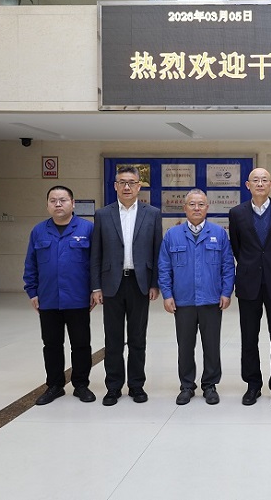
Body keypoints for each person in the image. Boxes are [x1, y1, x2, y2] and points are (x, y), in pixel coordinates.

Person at [90, 166, 162, 406]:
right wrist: (96, 287)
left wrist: (155, 283)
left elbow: (157, 251)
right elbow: (96, 254)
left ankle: (136, 385)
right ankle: (113, 387)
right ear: (115, 186)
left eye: (132, 182)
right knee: (113, 339)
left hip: (140, 283)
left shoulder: (152, 214)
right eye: (122, 182)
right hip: (112, 284)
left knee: (137, 338)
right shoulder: (103, 214)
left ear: (139, 186)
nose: (127, 187)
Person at [159, 189, 234, 406]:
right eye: (192, 204)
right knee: (185, 346)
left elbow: (228, 266)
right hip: (183, 301)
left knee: (212, 346)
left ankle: (210, 385)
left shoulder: (219, 233)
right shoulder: (172, 235)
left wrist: (226, 292)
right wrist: (167, 294)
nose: (196, 208)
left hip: (211, 299)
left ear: (207, 208)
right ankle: (186, 386)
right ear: (184, 208)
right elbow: (164, 267)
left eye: (201, 204)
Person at [228, 168, 271, 407]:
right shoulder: (236, 213)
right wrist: (251, 265)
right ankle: (253, 385)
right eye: (255, 180)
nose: (260, 183)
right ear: (247, 185)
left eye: (264, 180)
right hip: (248, 282)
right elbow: (237, 247)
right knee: (249, 337)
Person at [23, 185, 96, 405]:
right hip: (48, 298)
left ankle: (81, 385)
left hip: (78, 297)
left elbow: (95, 263)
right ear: (47, 205)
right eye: (53, 200)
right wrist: (32, 291)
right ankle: (54, 385)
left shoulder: (87, 229)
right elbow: (31, 264)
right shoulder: (38, 231)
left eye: (63, 200)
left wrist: (95, 290)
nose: (58, 204)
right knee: (51, 344)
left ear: (73, 203)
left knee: (81, 344)